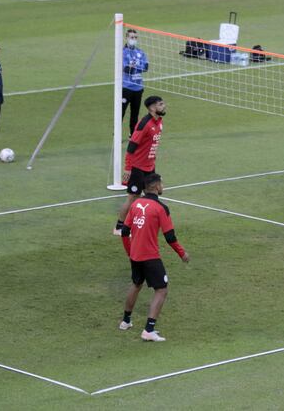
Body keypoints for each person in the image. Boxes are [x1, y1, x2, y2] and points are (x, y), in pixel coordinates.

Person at [119, 174, 190, 341]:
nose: (163, 186)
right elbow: (170, 237)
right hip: (150, 256)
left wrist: (130, 251)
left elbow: (124, 231)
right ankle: (148, 330)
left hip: (135, 255)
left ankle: (125, 321)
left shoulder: (136, 204)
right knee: (162, 289)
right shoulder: (160, 208)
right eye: (162, 184)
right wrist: (182, 253)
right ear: (156, 186)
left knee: (136, 284)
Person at [114, 96, 167, 235]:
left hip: (150, 166)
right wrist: (128, 168)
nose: (164, 106)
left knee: (155, 193)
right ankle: (119, 227)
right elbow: (131, 147)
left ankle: (144, 222)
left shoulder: (159, 122)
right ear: (152, 108)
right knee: (132, 197)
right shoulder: (144, 124)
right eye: (160, 104)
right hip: (137, 167)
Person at [122, 29, 150, 137]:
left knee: (135, 113)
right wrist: (136, 67)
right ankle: (116, 136)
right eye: (131, 37)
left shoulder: (140, 52)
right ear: (127, 38)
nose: (133, 39)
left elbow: (146, 67)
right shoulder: (122, 52)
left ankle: (132, 135)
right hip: (126, 88)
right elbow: (127, 69)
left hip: (138, 88)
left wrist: (134, 67)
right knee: (121, 112)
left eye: (135, 37)